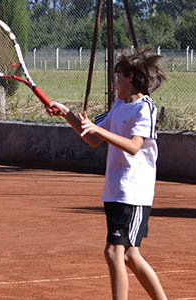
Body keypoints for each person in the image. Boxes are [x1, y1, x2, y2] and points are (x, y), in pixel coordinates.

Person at [46, 49, 168, 300]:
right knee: (129, 255)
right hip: (115, 188)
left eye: (118, 77)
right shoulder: (119, 106)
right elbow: (91, 137)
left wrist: (100, 132)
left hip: (133, 191)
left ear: (130, 77)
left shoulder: (145, 109)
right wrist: (66, 112)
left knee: (114, 252)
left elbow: (134, 146)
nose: (115, 84)